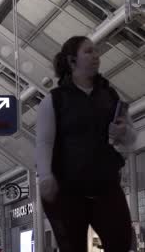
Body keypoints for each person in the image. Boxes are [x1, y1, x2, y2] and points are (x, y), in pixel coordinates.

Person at [36, 35, 137, 252]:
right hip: (68, 191)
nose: (96, 56)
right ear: (72, 61)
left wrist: (122, 132)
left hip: (106, 186)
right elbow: (44, 141)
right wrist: (45, 176)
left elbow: (131, 138)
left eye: (96, 51)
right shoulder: (54, 100)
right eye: (88, 51)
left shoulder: (110, 95)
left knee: (121, 243)